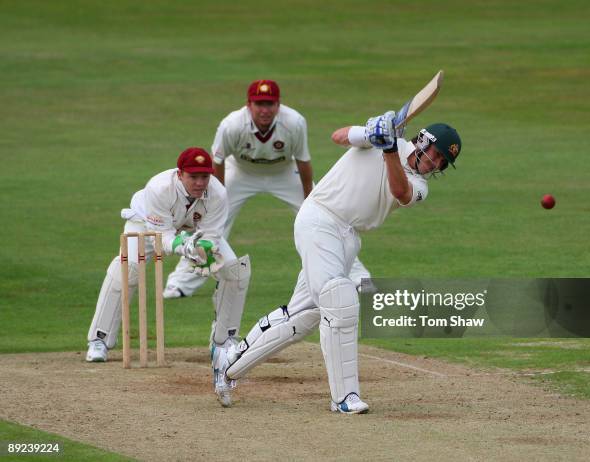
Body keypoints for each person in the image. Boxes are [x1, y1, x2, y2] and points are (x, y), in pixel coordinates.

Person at [212, 113, 462, 412]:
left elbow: (400, 191)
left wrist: (389, 149)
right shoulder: (382, 139)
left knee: (303, 316)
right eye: (436, 155)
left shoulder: (419, 184)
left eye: (442, 163)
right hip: (320, 217)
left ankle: (229, 365)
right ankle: (344, 397)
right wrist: (371, 132)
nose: (435, 164)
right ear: (423, 140)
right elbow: (339, 135)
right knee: (340, 300)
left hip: (348, 237)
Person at [163, 79, 370, 299]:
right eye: (259, 104)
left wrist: (309, 197)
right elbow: (218, 160)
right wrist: (217, 196)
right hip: (241, 172)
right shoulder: (231, 125)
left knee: (326, 219)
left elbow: (303, 160)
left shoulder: (294, 122)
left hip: (284, 172)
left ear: (278, 105)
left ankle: (357, 277)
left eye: (269, 104)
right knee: (210, 224)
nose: (264, 110)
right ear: (248, 105)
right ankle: (180, 283)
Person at [86, 148, 251, 395]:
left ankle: (223, 341)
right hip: (146, 223)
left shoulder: (218, 193)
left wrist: (203, 250)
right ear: (179, 174)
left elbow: (212, 236)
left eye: (204, 177)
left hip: (191, 229)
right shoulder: (159, 188)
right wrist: (183, 246)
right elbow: (162, 237)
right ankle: (100, 339)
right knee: (129, 267)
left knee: (234, 271)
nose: (199, 182)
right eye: (192, 176)